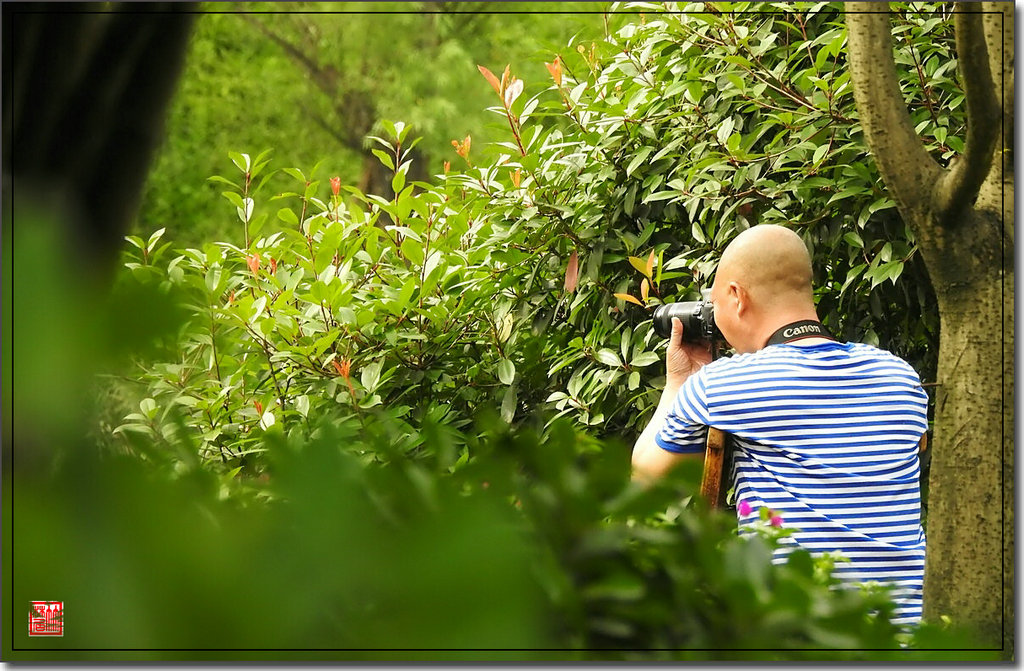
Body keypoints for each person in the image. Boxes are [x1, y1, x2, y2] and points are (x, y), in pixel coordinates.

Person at [632, 224, 928, 627]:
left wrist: (678, 384)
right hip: (907, 635)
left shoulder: (725, 385)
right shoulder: (898, 376)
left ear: (736, 297)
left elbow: (646, 476)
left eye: (715, 302)